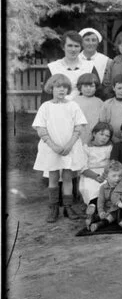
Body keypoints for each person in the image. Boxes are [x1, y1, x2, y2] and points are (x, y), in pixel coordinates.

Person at [33, 74, 87, 223]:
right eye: (58, 87)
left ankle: (68, 207)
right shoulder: (46, 107)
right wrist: (53, 146)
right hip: (52, 148)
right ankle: (53, 207)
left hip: (70, 147)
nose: (61, 90)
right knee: (54, 177)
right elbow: (40, 128)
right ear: (51, 88)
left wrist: (69, 145)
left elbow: (79, 126)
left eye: (64, 87)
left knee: (68, 176)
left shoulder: (73, 105)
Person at [41, 31, 98, 103]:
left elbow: (97, 93)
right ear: (63, 47)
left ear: (81, 47)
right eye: (70, 46)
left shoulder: (89, 67)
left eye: (76, 46)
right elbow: (46, 95)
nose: (73, 49)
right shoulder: (53, 68)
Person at [80, 122, 113, 227]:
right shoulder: (86, 147)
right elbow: (83, 167)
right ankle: (93, 206)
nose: (104, 138)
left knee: (108, 186)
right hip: (90, 173)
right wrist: (95, 177)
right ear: (94, 133)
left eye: (107, 136)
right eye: (101, 134)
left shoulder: (110, 147)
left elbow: (112, 163)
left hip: (106, 172)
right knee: (91, 187)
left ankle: (95, 208)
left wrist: (105, 174)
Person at [89, 160, 122, 232]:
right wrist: (101, 212)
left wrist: (109, 212)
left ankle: (99, 224)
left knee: (114, 213)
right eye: (114, 176)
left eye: (120, 175)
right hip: (105, 210)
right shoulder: (103, 188)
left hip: (116, 211)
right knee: (95, 202)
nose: (117, 178)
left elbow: (120, 201)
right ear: (106, 177)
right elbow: (100, 201)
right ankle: (92, 218)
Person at [73, 73, 104, 145]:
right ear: (80, 87)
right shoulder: (74, 101)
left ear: (96, 87)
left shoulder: (100, 102)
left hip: (94, 134)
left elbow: (102, 120)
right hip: (78, 134)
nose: (88, 88)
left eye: (91, 86)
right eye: (85, 86)